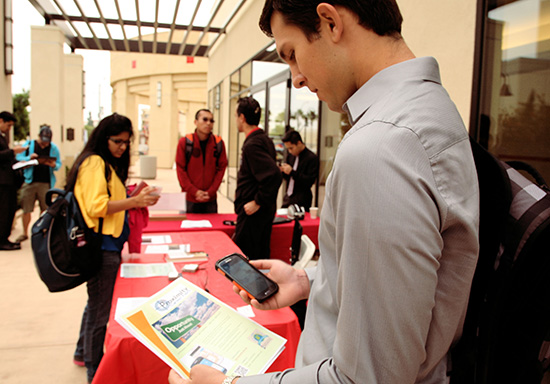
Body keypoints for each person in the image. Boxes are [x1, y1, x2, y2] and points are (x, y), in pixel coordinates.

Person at [169, 1, 479, 383]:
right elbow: (410, 288)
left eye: (293, 54)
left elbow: (367, 377)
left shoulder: (380, 148)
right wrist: (310, 281)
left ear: (330, 21)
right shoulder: (430, 111)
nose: (296, 78)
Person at [66, 113, 159, 383]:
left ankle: (82, 352)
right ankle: (95, 373)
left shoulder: (103, 163)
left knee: (94, 305)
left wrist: (135, 199)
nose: (121, 147)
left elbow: (107, 201)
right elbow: (97, 206)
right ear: (103, 137)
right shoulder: (95, 163)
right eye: (117, 141)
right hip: (101, 248)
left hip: (106, 246)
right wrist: (133, 202)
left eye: (126, 143)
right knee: (100, 313)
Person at [232, 97, 282, 260]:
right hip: (260, 214)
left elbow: (273, 175)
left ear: (242, 118)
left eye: (235, 115)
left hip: (253, 215)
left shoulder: (253, 144)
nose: (236, 120)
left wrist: (257, 201)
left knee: (246, 261)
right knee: (258, 259)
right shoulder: (263, 139)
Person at [15, 125, 62, 242]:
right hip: (30, 181)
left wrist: (53, 165)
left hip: (45, 182)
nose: (45, 144)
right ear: (39, 137)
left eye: (47, 142)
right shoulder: (29, 145)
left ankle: (43, 231)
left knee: (45, 209)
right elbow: (18, 158)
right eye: (43, 141)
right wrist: (29, 158)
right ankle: (25, 233)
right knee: (26, 209)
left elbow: (58, 164)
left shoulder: (54, 148)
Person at [176, 109, 228, 213]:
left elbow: (221, 168)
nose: (208, 123)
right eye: (205, 119)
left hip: (210, 200)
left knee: (211, 228)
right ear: (195, 122)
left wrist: (211, 191)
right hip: (189, 199)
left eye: (211, 120)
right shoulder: (185, 143)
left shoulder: (218, 143)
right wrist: (194, 192)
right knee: (187, 228)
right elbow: (180, 170)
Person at [0, 111, 27, 251]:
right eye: (8, 125)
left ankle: (5, 238)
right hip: (2, 182)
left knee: (10, 210)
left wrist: (20, 161)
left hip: (9, 180)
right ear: (1, 121)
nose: (9, 129)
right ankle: (1, 240)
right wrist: (12, 152)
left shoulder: (3, 137)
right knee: (4, 211)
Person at [280, 130, 319, 211]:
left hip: (302, 199)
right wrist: (282, 171)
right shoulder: (290, 156)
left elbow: (309, 181)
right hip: (288, 197)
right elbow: (288, 178)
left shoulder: (312, 158)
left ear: (299, 143)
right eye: (288, 149)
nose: (290, 151)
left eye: (291, 148)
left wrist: (292, 172)